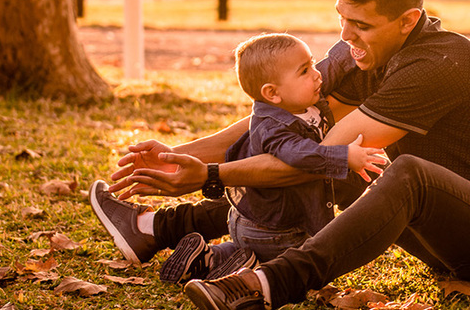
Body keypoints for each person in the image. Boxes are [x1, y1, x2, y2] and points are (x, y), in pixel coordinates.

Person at [89, 0, 470, 310]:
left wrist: (212, 175)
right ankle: (156, 230)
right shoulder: (362, 52)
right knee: (354, 164)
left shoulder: (437, 64)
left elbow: (313, 158)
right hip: (451, 231)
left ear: (408, 20)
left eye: (361, 24)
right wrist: (179, 158)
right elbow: (282, 125)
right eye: (342, 18)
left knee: (395, 172)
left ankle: (262, 289)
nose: (346, 36)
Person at [155, 32, 387, 285]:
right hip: (274, 230)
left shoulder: (300, 101)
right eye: (304, 70)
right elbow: (299, 155)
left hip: (258, 221)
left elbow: (333, 66)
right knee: (292, 265)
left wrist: (360, 42)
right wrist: (344, 157)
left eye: (312, 63)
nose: (317, 74)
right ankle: (243, 270)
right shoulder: (273, 127)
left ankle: (209, 256)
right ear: (272, 93)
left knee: (248, 251)